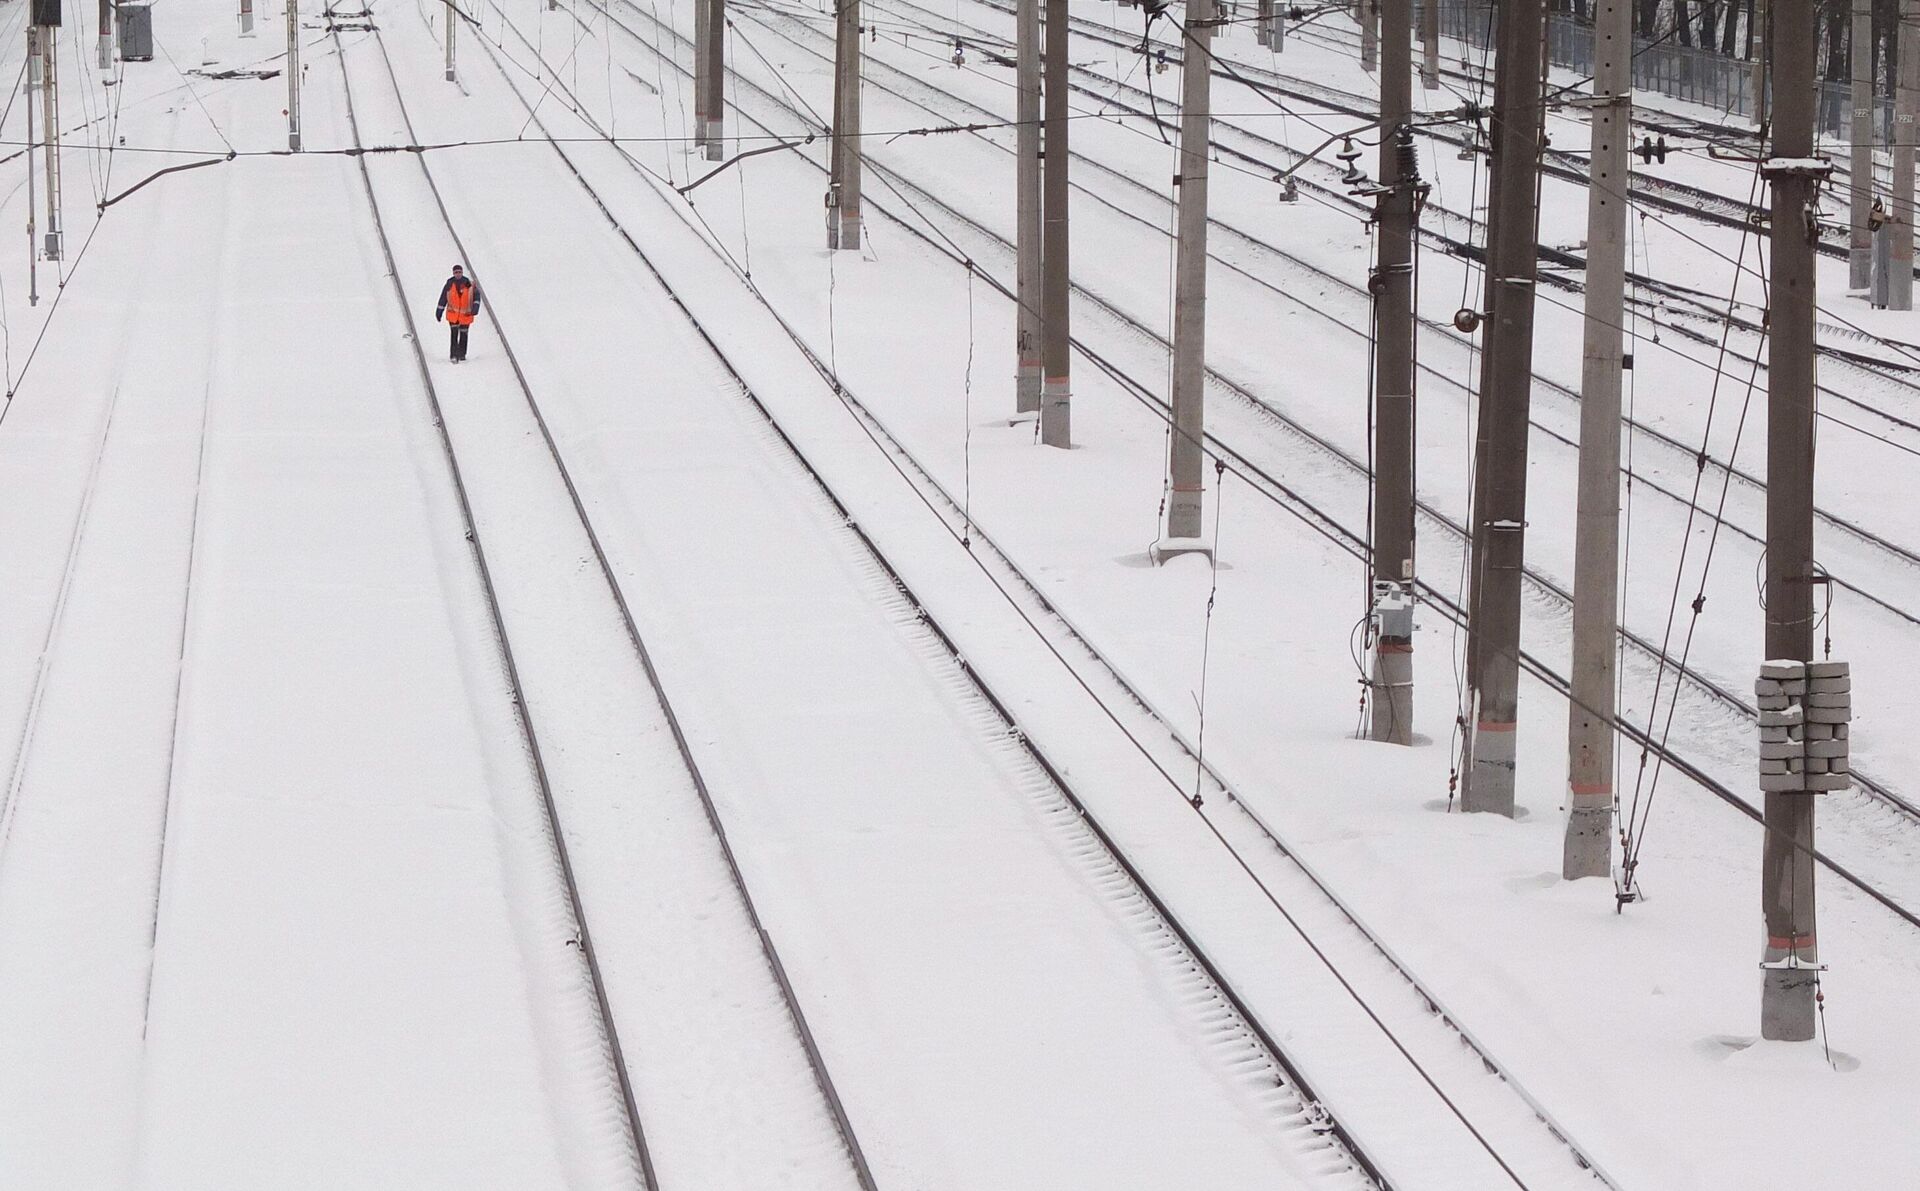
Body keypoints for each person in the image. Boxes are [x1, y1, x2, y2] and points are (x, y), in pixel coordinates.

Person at [434, 265, 481, 362]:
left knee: (464, 335)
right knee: (454, 334)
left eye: (459, 272)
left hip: (465, 315)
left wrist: (475, 308)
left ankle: (462, 354)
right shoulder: (449, 284)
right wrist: (439, 311)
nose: (458, 274)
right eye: (456, 272)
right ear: (453, 273)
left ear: (462, 272)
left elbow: (476, 296)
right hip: (453, 315)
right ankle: (454, 355)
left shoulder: (468, 284)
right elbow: (443, 298)